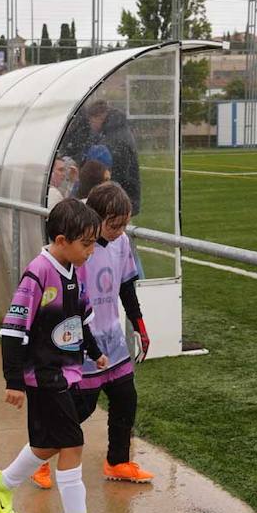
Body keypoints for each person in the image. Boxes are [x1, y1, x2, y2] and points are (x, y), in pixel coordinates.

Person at [0, 198, 118, 513]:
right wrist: (14, 380)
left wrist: (92, 349)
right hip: (44, 375)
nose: (91, 251)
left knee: (49, 444)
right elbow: (12, 331)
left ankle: (1, 484)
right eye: (85, 244)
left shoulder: (77, 268)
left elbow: (80, 317)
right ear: (61, 240)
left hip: (66, 371)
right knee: (72, 443)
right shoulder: (37, 273)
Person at [30, 182, 152, 490]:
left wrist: (139, 325)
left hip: (111, 337)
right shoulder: (76, 248)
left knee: (126, 398)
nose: (119, 231)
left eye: (124, 224)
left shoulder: (122, 243)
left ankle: (118, 461)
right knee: (77, 410)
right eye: (113, 224)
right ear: (95, 218)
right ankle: (39, 460)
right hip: (81, 342)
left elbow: (126, 286)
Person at [60, 100, 141, 213]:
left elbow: (110, 173)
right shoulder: (113, 131)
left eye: (91, 121)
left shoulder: (113, 139)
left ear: (99, 117)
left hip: (118, 200)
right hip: (123, 196)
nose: (91, 125)